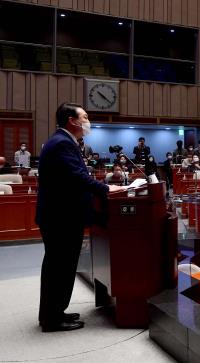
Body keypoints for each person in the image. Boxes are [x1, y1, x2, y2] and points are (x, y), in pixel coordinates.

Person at [37, 103, 125, 332]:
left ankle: (54, 312)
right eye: (84, 117)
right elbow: (77, 178)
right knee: (60, 268)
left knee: (59, 267)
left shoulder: (63, 142)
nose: (88, 121)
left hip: (60, 216)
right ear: (71, 120)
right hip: (61, 218)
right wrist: (108, 189)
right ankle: (52, 319)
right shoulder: (61, 144)